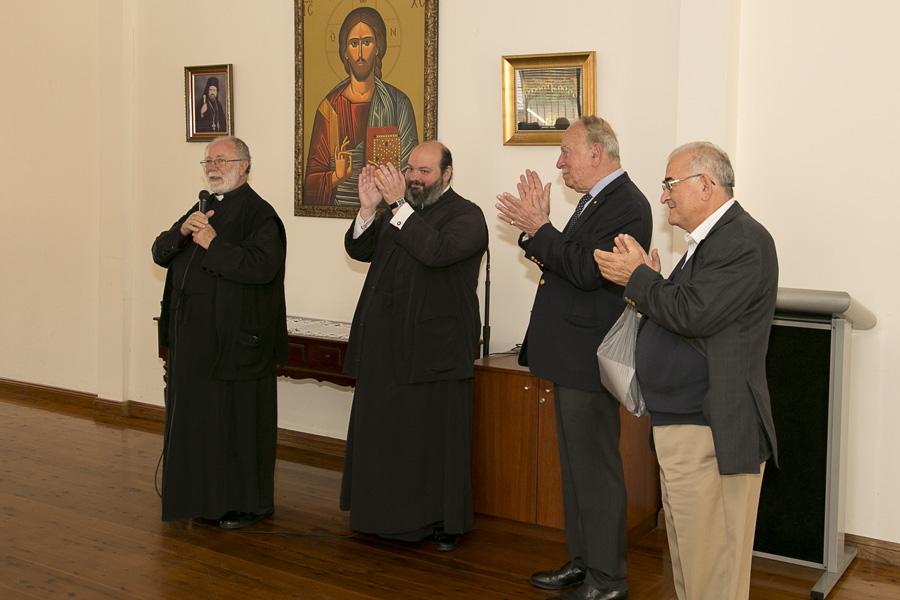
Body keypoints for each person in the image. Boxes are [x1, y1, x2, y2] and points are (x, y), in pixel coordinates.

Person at [594, 142, 779, 600]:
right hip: (687, 426)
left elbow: (694, 314)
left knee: (711, 570)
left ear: (705, 185)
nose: (663, 197)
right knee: (693, 566)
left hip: (710, 429)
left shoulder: (742, 240)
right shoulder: (710, 243)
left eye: (670, 184)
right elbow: (685, 313)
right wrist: (650, 279)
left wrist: (639, 278)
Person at [495, 116, 652, 600]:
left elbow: (587, 271)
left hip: (589, 356)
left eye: (565, 152)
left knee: (596, 473)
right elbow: (572, 258)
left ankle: (608, 579)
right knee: (575, 470)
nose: (558, 161)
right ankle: (584, 563)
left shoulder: (626, 203)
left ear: (595, 153)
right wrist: (537, 232)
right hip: (569, 353)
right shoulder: (597, 200)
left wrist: (540, 227)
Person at [340, 140, 488, 551]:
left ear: (446, 173)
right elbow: (359, 249)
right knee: (384, 436)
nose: (414, 179)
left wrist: (396, 206)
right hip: (385, 343)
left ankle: (440, 523)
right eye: (410, 170)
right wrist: (369, 209)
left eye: (424, 172)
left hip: (434, 348)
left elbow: (436, 252)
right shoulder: (397, 211)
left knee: (430, 440)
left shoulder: (466, 215)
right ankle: (378, 517)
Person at [152, 136, 288, 530]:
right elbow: (160, 251)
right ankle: (200, 497)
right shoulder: (203, 208)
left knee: (234, 426)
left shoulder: (260, 215)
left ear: (245, 165)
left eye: (223, 160)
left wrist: (213, 244)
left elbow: (262, 267)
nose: (213, 167)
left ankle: (245, 504)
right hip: (193, 341)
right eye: (208, 160)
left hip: (236, 343)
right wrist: (181, 230)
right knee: (199, 425)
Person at [303, 6, 419, 206]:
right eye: (353, 43)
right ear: (345, 51)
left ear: (377, 48)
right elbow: (310, 183)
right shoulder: (330, 108)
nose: (359, 52)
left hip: (389, 211)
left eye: (366, 42)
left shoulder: (399, 103)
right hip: (339, 207)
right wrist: (336, 177)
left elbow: (413, 172)